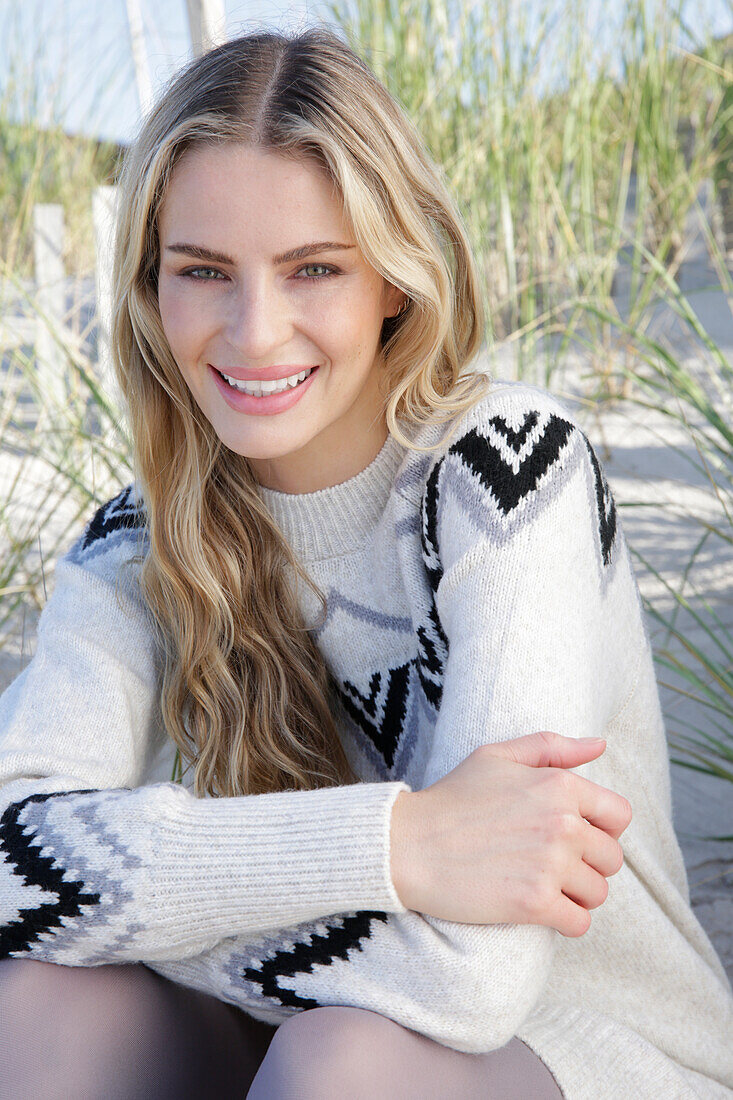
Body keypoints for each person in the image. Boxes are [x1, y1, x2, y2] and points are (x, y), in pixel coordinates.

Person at [0, 24, 731, 1100]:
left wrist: (143, 899)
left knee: (339, 1060)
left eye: (313, 269)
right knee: (40, 1000)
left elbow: (476, 976)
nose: (255, 331)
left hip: (585, 1045)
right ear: (153, 291)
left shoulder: (508, 471)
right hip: (311, 1023)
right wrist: (396, 842)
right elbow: (15, 855)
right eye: (204, 270)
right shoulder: (139, 538)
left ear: (394, 278)